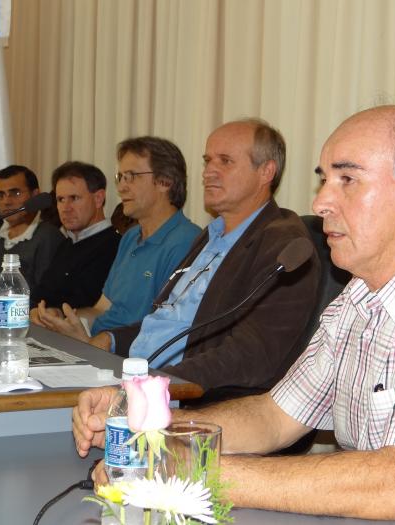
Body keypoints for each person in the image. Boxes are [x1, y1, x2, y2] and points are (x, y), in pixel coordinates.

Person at [73, 106, 395, 523]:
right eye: (324, 178)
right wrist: (143, 427)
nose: (320, 202)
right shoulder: (356, 300)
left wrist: (192, 468)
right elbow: (275, 417)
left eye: (347, 179)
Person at [47, 119, 320, 401]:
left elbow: (254, 354)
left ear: (266, 172)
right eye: (207, 160)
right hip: (137, 375)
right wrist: (109, 340)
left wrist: (160, 386)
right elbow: (167, 319)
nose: (208, 172)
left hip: (183, 396)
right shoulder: (210, 235)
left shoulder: (283, 242)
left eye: (225, 161)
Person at [34, 136, 201, 335]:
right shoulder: (130, 238)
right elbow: (101, 310)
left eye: (131, 176)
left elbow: (164, 331)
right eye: (120, 177)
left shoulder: (188, 242)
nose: (121, 187)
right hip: (100, 347)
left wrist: (99, 343)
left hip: (128, 358)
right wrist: (60, 318)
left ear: (165, 181)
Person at [29, 161, 119, 311]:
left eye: (74, 198)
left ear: (98, 198)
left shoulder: (114, 246)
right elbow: (40, 295)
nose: (65, 208)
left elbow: (87, 305)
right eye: (60, 200)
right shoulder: (67, 243)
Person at [0, 165, 63, 293]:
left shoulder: (48, 236)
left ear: (35, 195)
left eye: (16, 193)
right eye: (1, 195)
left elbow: (43, 294)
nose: (6, 202)